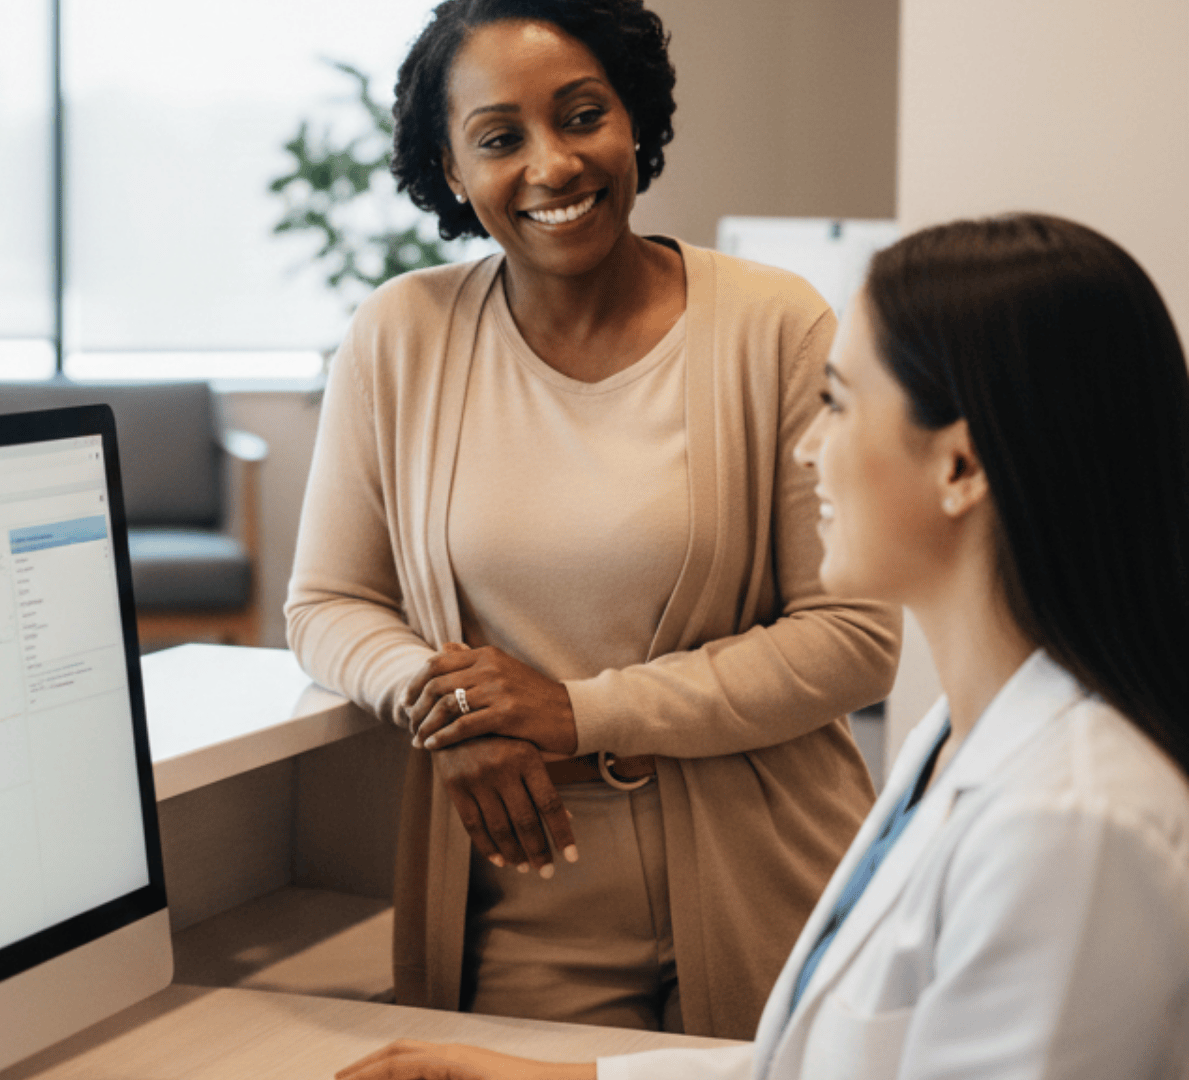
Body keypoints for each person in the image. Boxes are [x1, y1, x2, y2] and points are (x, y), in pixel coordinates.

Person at [337, 213, 1189, 1079]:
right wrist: (550, 1078)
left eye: (839, 406)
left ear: (960, 469)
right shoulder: (959, 742)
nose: (810, 450)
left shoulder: (1071, 824)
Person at [284, 0, 901, 1039]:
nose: (553, 165)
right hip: (519, 897)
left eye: (582, 116)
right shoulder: (404, 333)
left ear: (635, 120)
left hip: (771, 872)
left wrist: (576, 713)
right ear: (449, 165)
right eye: (500, 137)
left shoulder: (776, 323)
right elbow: (328, 603)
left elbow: (854, 641)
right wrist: (448, 710)